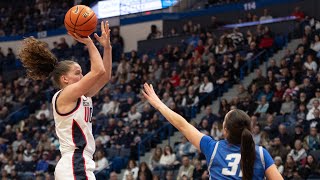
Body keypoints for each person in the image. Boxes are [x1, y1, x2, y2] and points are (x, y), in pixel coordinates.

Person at [18, 21, 112, 180]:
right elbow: (98, 70)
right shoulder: (65, 95)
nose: (82, 77)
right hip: (75, 163)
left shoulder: (82, 95)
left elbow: (105, 76)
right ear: (65, 79)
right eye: (77, 73)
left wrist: (107, 48)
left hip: (77, 163)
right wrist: (89, 42)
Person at [141, 83, 283, 180]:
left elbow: (183, 125)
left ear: (225, 131)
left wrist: (159, 105)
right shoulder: (261, 154)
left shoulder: (214, 148)